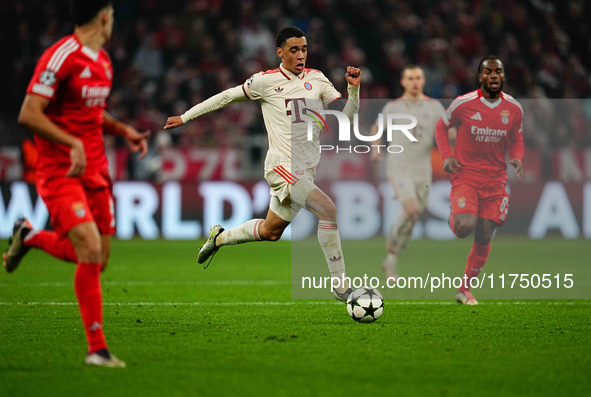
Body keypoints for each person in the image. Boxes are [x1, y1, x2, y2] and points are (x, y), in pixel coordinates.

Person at [164, 26, 361, 301]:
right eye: (294, 50)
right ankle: (340, 287)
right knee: (327, 210)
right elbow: (226, 97)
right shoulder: (265, 82)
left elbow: (346, 120)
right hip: (282, 166)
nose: (301, 55)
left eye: (304, 49)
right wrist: (185, 117)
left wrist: (354, 91)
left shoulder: (317, 80)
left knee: (271, 231)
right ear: (280, 53)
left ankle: (218, 238)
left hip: (305, 169)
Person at [4, 0, 149, 366]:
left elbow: (92, 112)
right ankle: (97, 349)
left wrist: (123, 130)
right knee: (87, 246)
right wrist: (71, 144)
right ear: (103, 16)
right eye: (113, 15)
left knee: (97, 259)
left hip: (96, 169)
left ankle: (31, 236)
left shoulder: (102, 61)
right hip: (60, 169)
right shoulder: (61, 56)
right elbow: (29, 112)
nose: (113, 21)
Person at [435, 55, 523, 305]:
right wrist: (447, 156)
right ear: (480, 77)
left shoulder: (514, 108)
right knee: (464, 226)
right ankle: (455, 213)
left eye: (498, 72)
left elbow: (517, 138)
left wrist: (517, 157)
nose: (493, 76)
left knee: (484, 233)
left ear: (503, 77)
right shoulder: (464, 103)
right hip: (466, 176)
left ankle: (464, 290)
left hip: (496, 181)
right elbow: (441, 127)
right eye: (488, 72)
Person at [370, 65, 445, 281]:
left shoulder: (434, 106)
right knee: (411, 209)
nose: (414, 81)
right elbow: (377, 128)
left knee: (413, 216)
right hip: (399, 165)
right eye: (410, 78)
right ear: (403, 82)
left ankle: (391, 260)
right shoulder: (393, 107)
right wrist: (376, 148)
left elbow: (446, 131)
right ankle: (392, 243)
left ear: (423, 81)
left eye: (418, 78)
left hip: (423, 168)